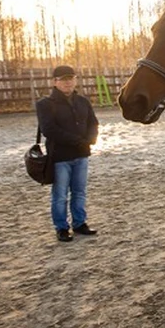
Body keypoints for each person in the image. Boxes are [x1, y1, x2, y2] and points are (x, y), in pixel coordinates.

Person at [36, 65, 99, 242]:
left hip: (82, 155)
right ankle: (61, 227)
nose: (67, 82)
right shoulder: (45, 104)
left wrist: (91, 138)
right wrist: (77, 141)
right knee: (60, 195)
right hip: (60, 156)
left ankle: (79, 223)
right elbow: (49, 130)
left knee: (79, 192)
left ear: (75, 80)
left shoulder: (83, 101)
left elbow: (93, 122)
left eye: (70, 78)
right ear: (55, 82)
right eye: (63, 79)